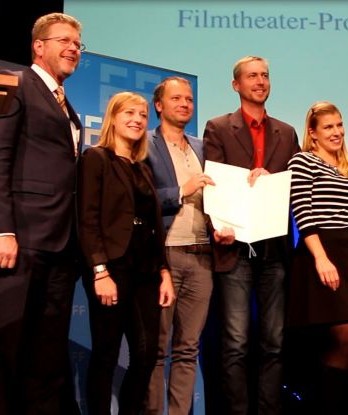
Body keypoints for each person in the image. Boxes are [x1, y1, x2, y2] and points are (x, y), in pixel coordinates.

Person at [0, 12, 83, 414]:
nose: (73, 49)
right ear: (39, 45)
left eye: (78, 44)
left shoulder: (66, 103)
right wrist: (1, 230)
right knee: (9, 346)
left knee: (47, 354)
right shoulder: (16, 83)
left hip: (63, 246)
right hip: (24, 240)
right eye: (64, 40)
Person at [203, 55, 300, 415]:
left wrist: (272, 184)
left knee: (274, 343)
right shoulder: (218, 127)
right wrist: (219, 224)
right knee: (236, 343)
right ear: (236, 85)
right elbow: (214, 183)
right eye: (252, 76)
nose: (260, 81)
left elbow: (296, 185)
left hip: (274, 247)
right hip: (235, 246)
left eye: (265, 76)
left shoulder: (286, 133)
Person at [78, 91, 175, 414]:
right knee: (106, 353)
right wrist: (100, 271)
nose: (136, 120)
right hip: (112, 269)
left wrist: (164, 272)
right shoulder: (96, 158)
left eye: (142, 115)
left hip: (146, 270)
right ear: (113, 118)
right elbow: (87, 219)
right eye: (129, 114)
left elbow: (155, 226)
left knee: (147, 354)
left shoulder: (143, 168)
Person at [144, 76, 234, 415]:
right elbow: (142, 198)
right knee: (157, 348)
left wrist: (221, 226)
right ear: (159, 105)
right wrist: (181, 190)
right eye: (177, 98)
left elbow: (214, 197)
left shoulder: (201, 147)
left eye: (189, 99)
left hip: (201, 257)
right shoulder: (146, 145)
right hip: (164, 253)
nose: (185, 104)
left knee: (187, 349)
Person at [287, 101, 348, 415]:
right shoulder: (303, 161)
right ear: (313, 134)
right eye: (328, 127)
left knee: (346, 341)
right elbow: (303, 213)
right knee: (347, 337)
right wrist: (321, 258)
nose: (337, 132)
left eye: (339, 125)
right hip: (321, 252)